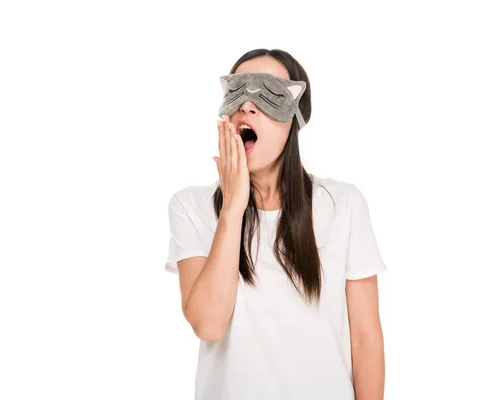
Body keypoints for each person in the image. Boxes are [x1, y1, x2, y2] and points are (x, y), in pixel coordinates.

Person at [164, 48, 387, 400]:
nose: (246, 107)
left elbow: (366, 337)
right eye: (237, 92)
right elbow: (208, 324)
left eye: (267, 94)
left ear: (295, 116)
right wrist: (232, 208)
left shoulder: (343, 204)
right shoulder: (190, 206)